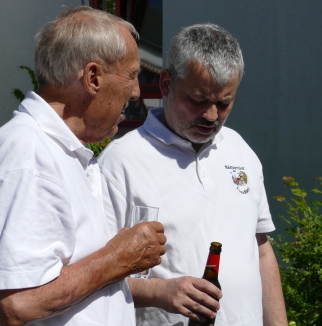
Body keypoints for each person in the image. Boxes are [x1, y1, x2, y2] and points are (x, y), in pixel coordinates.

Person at [0, 6, 167, 326]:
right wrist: (120, 258)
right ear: (93, 77)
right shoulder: (28, 152)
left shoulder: (58, 150)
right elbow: (16, 303)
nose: (137, 91)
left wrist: (157, 288)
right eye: (131, 75)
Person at [99, 23, 288, 325]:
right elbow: (97, 274)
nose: (211, 115)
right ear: (166, 84)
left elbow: (261, 250)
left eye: (224, 102)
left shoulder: (240, 150)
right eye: (198, 100)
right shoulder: (120, 162)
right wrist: (160, 291)